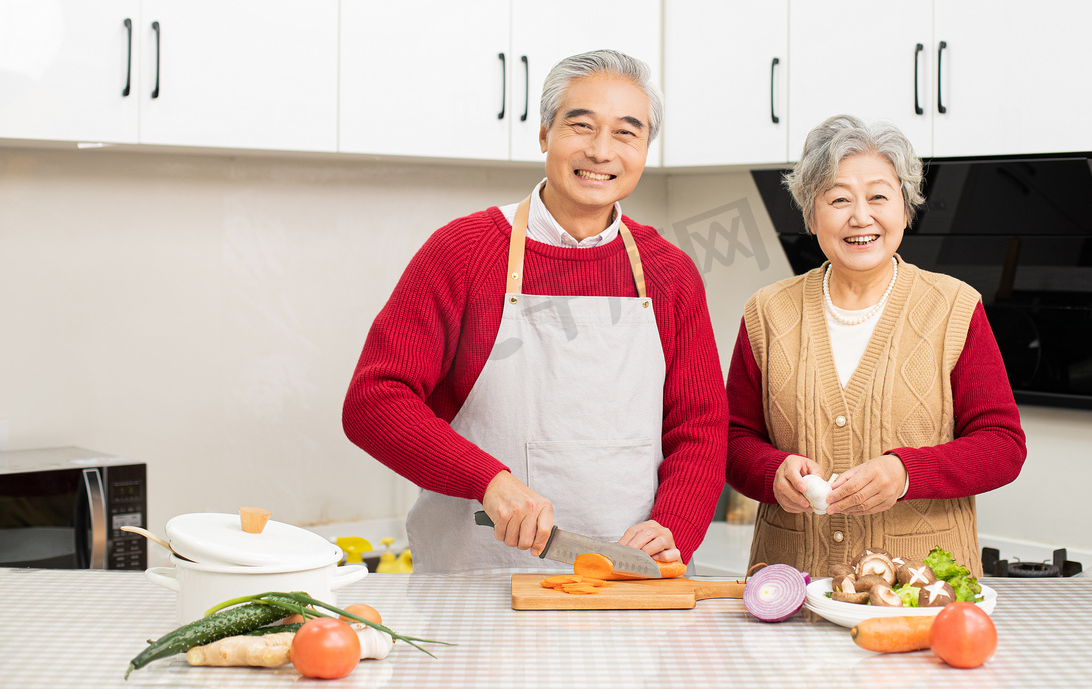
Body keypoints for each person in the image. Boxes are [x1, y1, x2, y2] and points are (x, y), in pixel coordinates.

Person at [344, 50, 727, 574]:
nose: (600, 151)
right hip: (476, 581)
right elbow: (374, 402)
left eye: (625, 133)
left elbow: (701, 428)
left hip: (626, 583)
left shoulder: (670, 272)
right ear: (545, 133)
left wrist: (674, 527)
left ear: (644, 150)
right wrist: (488, 480)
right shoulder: (464, 252)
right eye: (581, 125)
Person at [725, 115, 1026, 578]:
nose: (860, 217)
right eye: (839, 198)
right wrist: (772, 471)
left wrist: (906, 474)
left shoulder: (954, 308)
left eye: (879, 197)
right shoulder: (767, 313)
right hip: (792, 588)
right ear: (811, 214)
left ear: (905, 208)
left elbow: (1003, 446)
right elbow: (730, 439)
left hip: (921, 594)